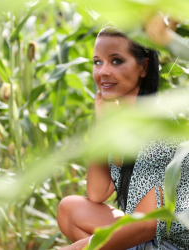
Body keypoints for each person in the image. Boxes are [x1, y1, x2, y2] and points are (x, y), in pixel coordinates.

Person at [57, 25, 189, 250]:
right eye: (98, 62)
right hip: (145, 236)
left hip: (169, 243)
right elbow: (97, 193)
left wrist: (74, 249)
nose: (103, 72)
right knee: (69, 210)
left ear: (144, 68)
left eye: (116, 61)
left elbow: (146, 224)